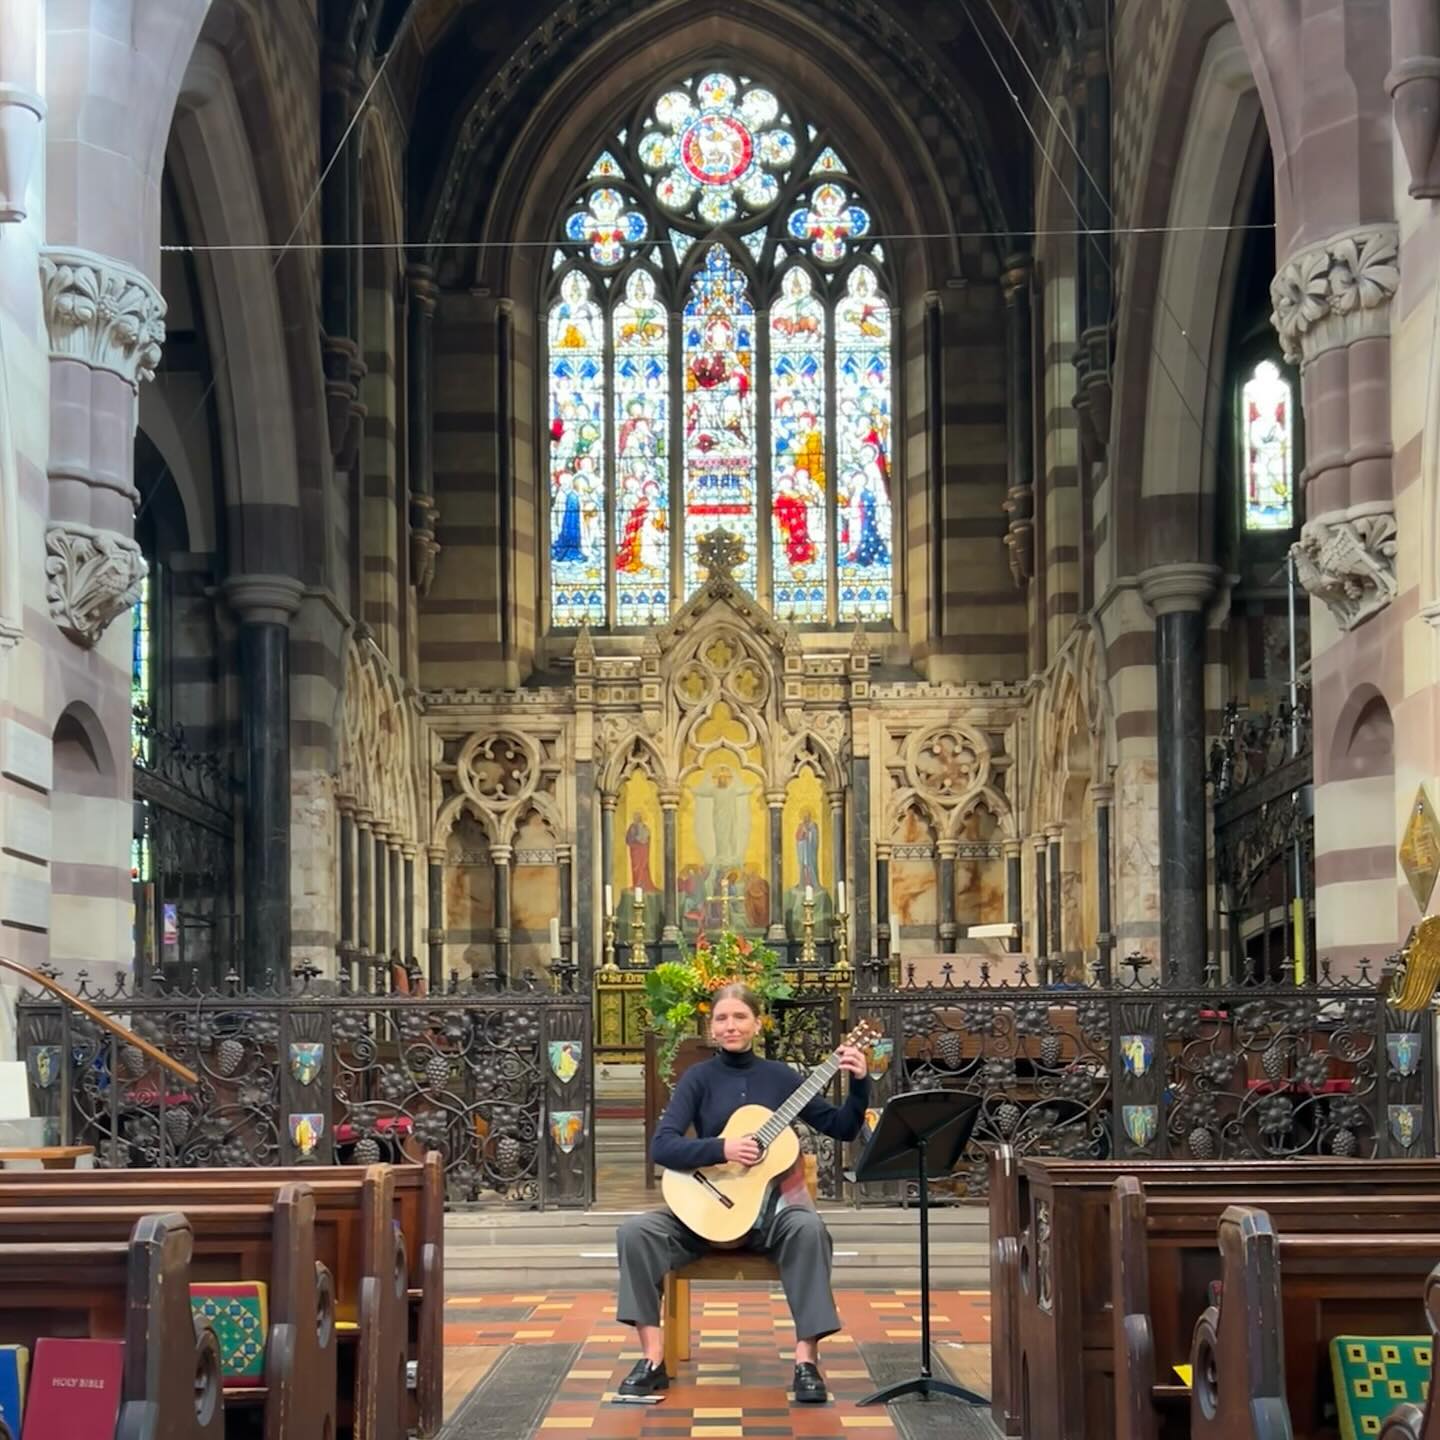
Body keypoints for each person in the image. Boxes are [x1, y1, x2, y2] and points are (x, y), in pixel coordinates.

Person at [615, 983, 871, 1403]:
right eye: (721, 1018)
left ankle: (806, 1361)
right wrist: (722, 1148)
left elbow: (842, 1127)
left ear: (757, 1023)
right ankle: (652, 1360)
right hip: (708, 1212)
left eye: (739, 1017)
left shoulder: (781, 1077)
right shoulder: (698, 1079)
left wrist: (859, 1084)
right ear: (711, 1027)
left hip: (771, 1216)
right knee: (635, 1233)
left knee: (809, 1229)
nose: (730, 1025)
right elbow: (661, 1145)